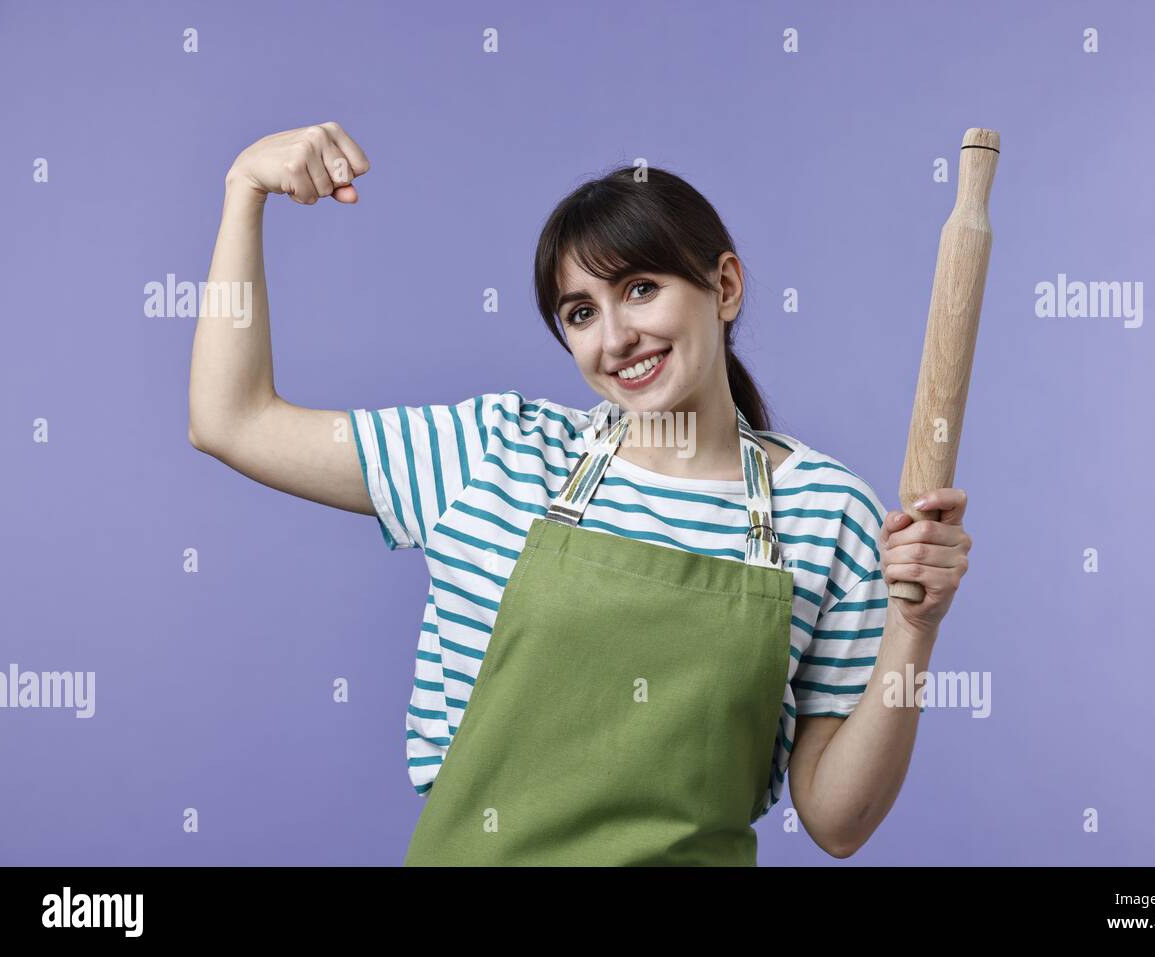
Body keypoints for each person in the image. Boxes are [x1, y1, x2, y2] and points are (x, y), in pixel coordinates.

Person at [189, 122, 973, 866]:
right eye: (580, 312)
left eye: (640, 288)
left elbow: (838, 821)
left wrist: (916, 627)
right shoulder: (493, 453)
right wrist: (243, 190)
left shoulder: (827, 512)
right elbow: (232, 419)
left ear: (724, 285)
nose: (615, 338)